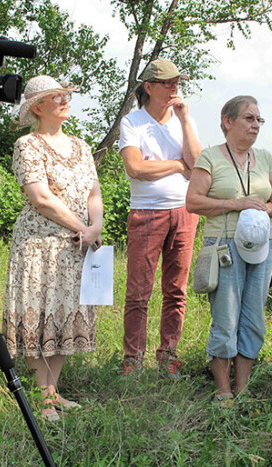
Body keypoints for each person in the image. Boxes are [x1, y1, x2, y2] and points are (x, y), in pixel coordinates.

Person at [2, 75, 103, 422]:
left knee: (63, 318)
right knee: (39, 315)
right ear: (37, 107)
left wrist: (96, 226)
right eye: (55, 97)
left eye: (65, 95)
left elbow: (94, 194)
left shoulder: (81, 146)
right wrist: (83, 228)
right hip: (39, 246)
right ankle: (42, 400)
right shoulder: (27, 145)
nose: (64, 100)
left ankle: (53, 393)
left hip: (76, 246)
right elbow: (41, 198)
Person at [186, 95, 272, 407]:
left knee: (254, 315)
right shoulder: (210, 158)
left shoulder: (266, 158)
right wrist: (236, 204)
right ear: (228, 122)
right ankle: (222, 390)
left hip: (260, 247)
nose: (256, 125)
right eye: (249, 118)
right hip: (224, 248)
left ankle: (242, 388)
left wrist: (269, 208)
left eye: (259, 120)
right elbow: (193, 202)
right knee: (226, 317)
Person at [118, 59, 201, 379]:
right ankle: (133, 360)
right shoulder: (133, 122)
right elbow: (135, 168)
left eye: (177, 83)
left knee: (176, 291)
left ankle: (168, 355)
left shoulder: (183, 121)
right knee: (138, 291)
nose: (174, 88)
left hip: (185, 212)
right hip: (146, 212)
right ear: (149, 87)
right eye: (167, 83)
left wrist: (186, 119)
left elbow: (197, 164)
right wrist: (178, 165)